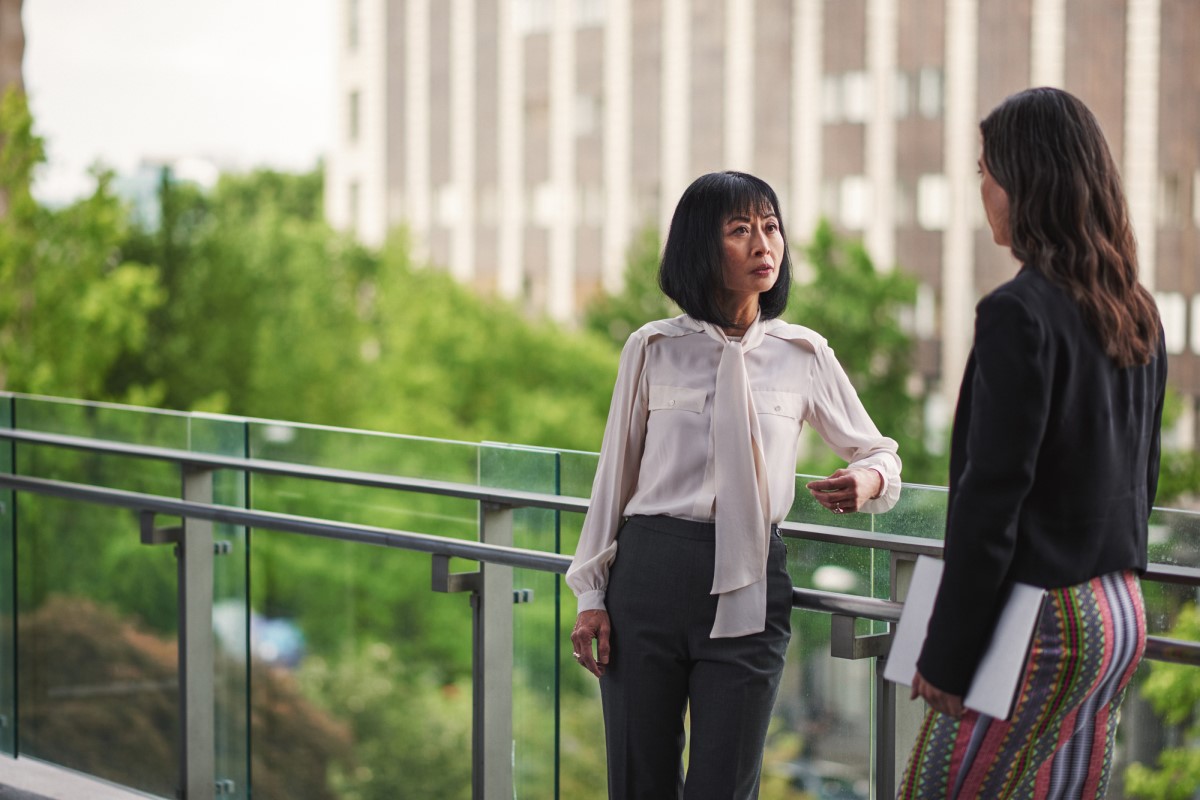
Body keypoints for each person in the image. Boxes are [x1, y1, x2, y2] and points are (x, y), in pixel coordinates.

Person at [567, 170, 902, 800]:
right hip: (649, 575)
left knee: (726, 785)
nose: (763, 245)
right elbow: (613, 478)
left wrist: (866, 478)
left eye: (771, 227)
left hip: (753, 579)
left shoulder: (804, 354)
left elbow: (881, 452)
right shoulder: (652, 348)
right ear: (700, 245)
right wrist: (590, 592)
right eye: (740, 230)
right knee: (640, 781)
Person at [898, 87, 1167, 799]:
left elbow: (991, 497)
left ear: (1025, 182)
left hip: (1045, 618)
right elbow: (1147, 475)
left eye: (986, 169)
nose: (980, 187)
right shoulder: (1138, 310)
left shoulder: (1018, 312)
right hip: (1119, 610)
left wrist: (947, 657)